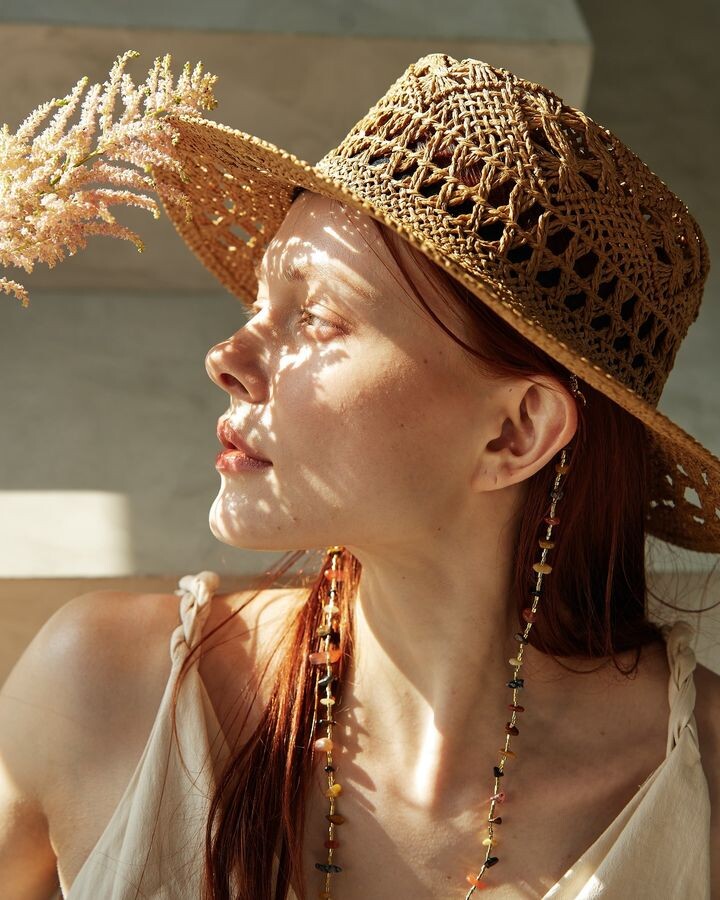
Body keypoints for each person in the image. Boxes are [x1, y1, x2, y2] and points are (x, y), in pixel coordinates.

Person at [1, 53, 719, 900]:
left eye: (316, 317)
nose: (226, 358)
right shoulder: (102, 692)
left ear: (515, 432)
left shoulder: (702, 792)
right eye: (256, 306)